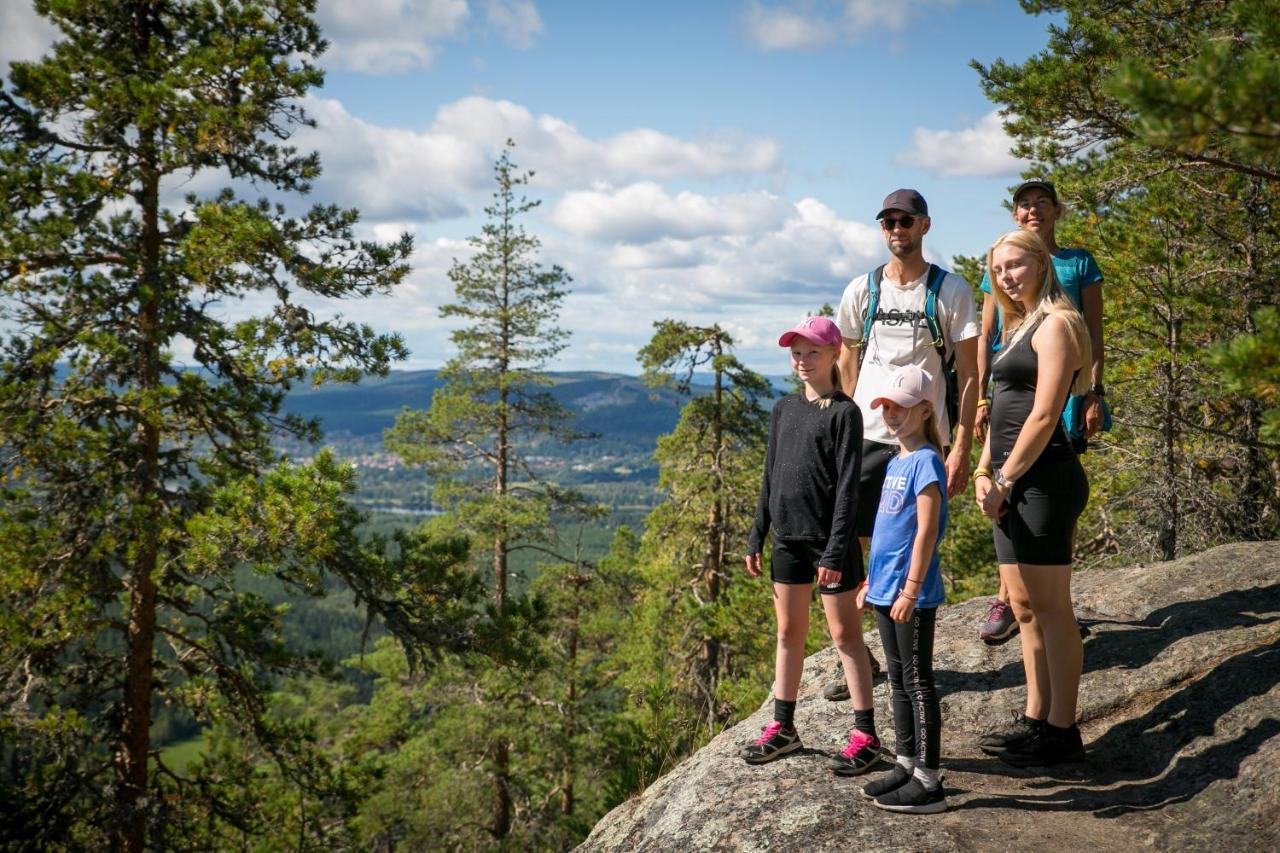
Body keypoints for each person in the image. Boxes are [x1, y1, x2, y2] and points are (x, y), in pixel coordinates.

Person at [823, 188, 980, 702]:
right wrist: (839, 424)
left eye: (905, 220)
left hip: (917, 440)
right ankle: (861, 654)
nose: (896, 228)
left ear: (925, 226)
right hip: (866, 434)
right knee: (848, 541)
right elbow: (846, 358)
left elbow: (971, 375)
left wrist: (960, 447)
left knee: (911, 541)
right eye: (888, 220)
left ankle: (905, 654)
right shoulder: (861, 290)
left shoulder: (950, 290)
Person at [740, 316, 883, 774]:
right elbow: (771, 475)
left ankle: (865, 734)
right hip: (787, 540)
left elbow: (847, 489)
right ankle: (783, 727)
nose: (803, 361)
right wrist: (756, 532)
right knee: (788, 634)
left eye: (813, 352)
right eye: (797, 353)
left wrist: (839, 548)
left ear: (834, 355)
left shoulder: (845, 412)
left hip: (829, 544)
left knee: (845, 636)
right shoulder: (784, 409)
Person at [974, 229, 1092, 767]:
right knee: (1022, 608)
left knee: (1051, 608)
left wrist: (1006, 479)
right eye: (999, 269)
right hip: (1010, 481)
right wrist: (983, 468)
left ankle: (1063, 731)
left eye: (1016, 266)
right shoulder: (1017, 325)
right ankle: (1035, 717)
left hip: (1043, 481)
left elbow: (1045, 415)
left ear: (1042, 264)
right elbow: (998, 404)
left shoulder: (1059, 324)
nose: (1006, 277)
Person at [975, 179, 1106, 646]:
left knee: (1049, 485)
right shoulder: (1004, 264)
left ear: (1056, 210)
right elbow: (991, 333)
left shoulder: (1077, 263)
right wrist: (983, 400)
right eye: (1023, 204)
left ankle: (1054, 602)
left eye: (1041, 203)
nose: (1032, 210)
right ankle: (1012, 599)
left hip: (1059, 389)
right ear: (1015, 214)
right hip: (1012, 380)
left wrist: (1093, 390)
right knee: (1018, 502)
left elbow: (1093, 327)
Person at [855, 364, 949, 814]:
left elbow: (926, 531)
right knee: (897, 680)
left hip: (911, 594)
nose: (892, 415)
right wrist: (872, 581)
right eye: (887, 407)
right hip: (885, 590)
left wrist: (911, 588)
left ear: (926, 408)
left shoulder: (928, 460)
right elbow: (888, 528)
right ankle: (906, 762)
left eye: (903, 407)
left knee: (917, 681)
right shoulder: (896, 460)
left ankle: (929, 780)